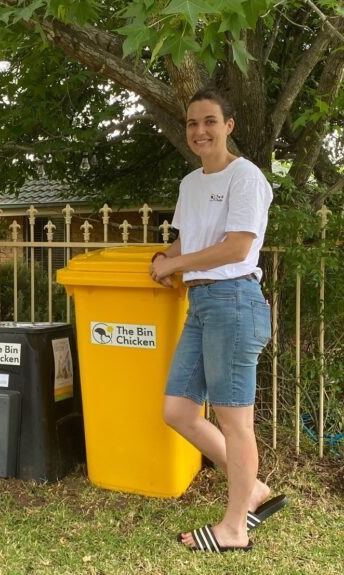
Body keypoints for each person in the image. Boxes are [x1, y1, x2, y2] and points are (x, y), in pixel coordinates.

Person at [149, 87, 286, 553]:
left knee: (234, 421)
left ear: (229, 126)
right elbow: (185, 245)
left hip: (234, 300)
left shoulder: (245, 177)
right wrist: (163, 258)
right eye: (192, 123)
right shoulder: (191, 184)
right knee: (178, 411)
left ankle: (234, 528)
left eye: (209, 121)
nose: (200, 130)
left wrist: (175, 266)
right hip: (202, 305)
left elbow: (237, 247)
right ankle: (255, 489)